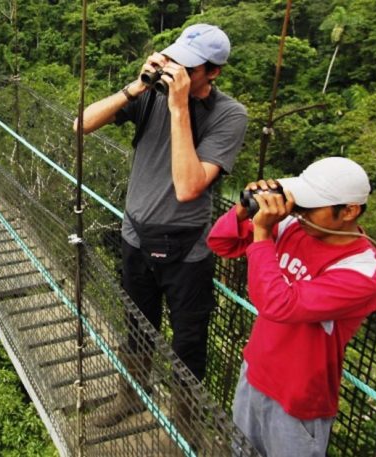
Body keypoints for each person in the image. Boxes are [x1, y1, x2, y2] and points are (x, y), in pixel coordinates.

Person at [74, 23, 248, 428]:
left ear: (213, 72)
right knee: (136, 325)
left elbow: (189, 186)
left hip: (187, 251)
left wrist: (179, 107)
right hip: (135, 236)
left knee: (188, 345)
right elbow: (81, 124)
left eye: (187, 67)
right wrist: (136, 87)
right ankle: (130, 396)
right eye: (173, 60)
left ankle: (185, 428)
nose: (175, 72)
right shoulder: (151, 96)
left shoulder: (228, 115)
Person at [207, 157, 376, 456]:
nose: (300, 213)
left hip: (297, 400)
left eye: (310, 206)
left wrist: (263, 234)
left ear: (349, 210)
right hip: (254, 372)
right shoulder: (294, 226)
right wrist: (242, 211)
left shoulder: (363, 271)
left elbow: (278, 305)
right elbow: (221, 244)